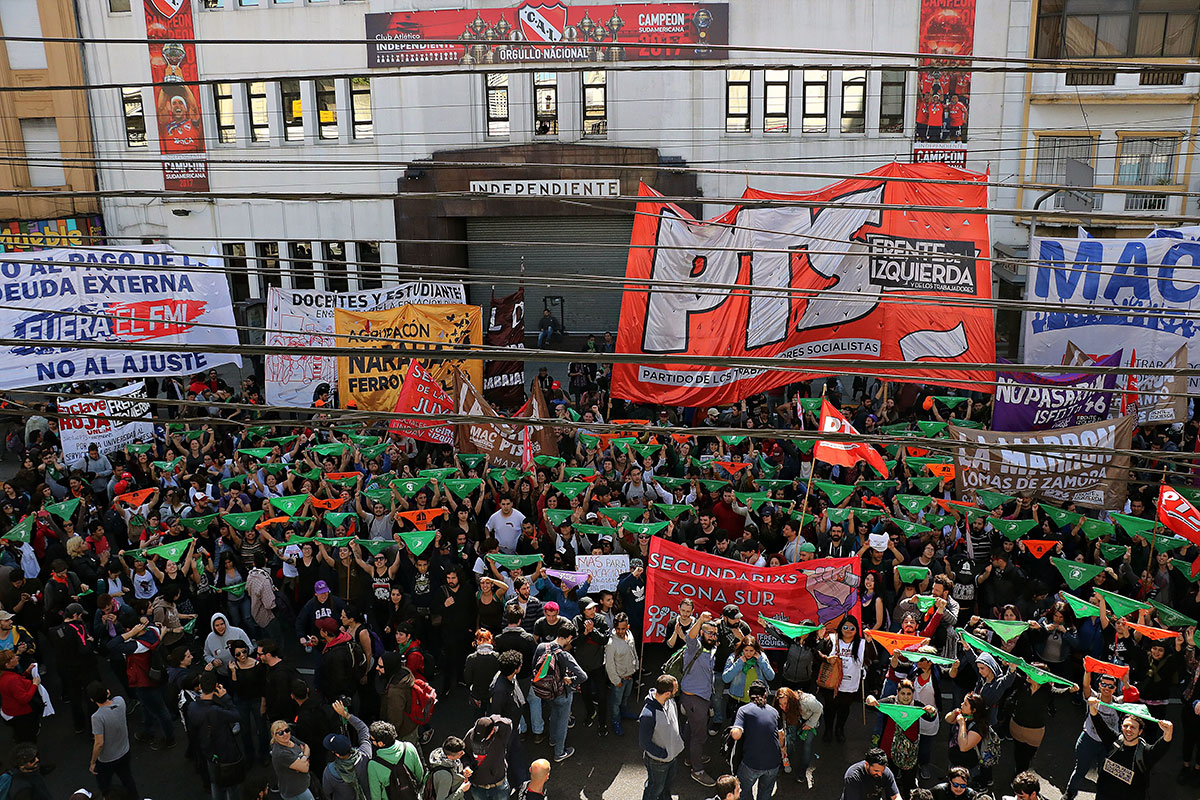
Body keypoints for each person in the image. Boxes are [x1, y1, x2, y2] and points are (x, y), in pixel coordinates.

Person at [1087, 694, 1173, 800]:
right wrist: (1092, 706)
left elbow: (1160, 748)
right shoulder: (1115, 740)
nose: (1128, 730)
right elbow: (1099, 724)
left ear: (1140, 731)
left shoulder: (1144, 752)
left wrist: (1168, 733)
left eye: (1133, 727)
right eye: (1125, 726)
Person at [531, 621, 588, 762]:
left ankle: (552, 740)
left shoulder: (541, 647)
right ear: (569, 638)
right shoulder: (564, 655)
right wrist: (569, 680)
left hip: (545, 691)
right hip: (562, 693)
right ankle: (559, 752)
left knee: (553, 715)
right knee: (562, 721)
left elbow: (534, 667)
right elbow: (583, 676)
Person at [185, 671, 245, 800]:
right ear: (216, 685)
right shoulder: (215, 711)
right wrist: (226, 698)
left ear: (200, 686)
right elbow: (237, 715)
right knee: (232, 785)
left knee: (215, 782)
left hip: (208, 752)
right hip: (225, 753)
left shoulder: (192, 706)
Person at [679, 612, 720, 787]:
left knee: (691, 726)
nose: (713, 636)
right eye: (709, 632)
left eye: (714, 633)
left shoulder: (710, 648)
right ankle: (698, 770)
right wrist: (700, 621)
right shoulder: (694, 647)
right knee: (699, 735)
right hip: (695, 700)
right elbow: (690, 636)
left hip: (699, 698)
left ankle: (690, 756)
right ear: (702, 633)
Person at [730, 680, 784, 800]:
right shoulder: (774, 712)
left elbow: (736, 735)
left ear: (749, 693)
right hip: (773, 763)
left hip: (752, 763)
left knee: (742, 792)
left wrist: (733, 730)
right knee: (765, 794)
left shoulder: (744, 710)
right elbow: (781, 736)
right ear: (765, 694)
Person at [87, 681, 138, 798]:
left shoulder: (97, 717)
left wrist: (93, 762)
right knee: (127, 779)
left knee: (104, 784)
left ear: (92, 700)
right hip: (125, 751)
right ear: (108, 692)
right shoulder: (120, 701)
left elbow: (99, 743)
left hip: (107, 759)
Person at [639, 674, 684, 800]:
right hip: (658, 761)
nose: (677, 691)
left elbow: (675, 722)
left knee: (666, 786)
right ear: (668, 693)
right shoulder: (648, 715)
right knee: (654, 789)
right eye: (675, 689)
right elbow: (644, 742)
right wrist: (663, 754)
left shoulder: (670, 701)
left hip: (672, 756)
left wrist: (678, 743)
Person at [320, 701, 372, 800]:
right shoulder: (365, 755)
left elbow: (327, 792)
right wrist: (346, 714)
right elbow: (363, 729)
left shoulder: (330, 771)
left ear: (337, 754)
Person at [605, 612, 640, 736]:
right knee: (616, 703)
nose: (620, 631)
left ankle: (624, 713)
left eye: (623, 628)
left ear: (628, 627)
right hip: (619, 679)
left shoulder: (629, 635)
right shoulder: (611, 644)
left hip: (630, 676)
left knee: (625, 698)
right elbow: (609, 665)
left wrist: (637, 666)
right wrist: (616, 681)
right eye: (618, 629)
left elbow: (634, 650)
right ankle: (615, 721)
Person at [463, 715, 513, 800]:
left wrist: (492, 719)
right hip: (478, 785)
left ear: (492, 730)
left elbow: (508, 723)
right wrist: (466, 766)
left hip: (499, 785)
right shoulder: (470, 735)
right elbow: (464, 754)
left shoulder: (500, 736)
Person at [270, 719, 314, 800]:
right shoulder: (281, 753)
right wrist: (305, 756)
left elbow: (306, 746)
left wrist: (302, 760)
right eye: (280, 733)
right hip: (296, 791)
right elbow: (305, 768)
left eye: (287, 730)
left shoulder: (291, 739)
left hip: (302, 784)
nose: (285, 734)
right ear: (274, 736)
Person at [427, 735, 473, 800]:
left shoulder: (444, 756)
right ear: (449, 756)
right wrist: (461, 790)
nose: (463, 753)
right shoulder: (445, 776)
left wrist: (462, 774)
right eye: (460, 753)